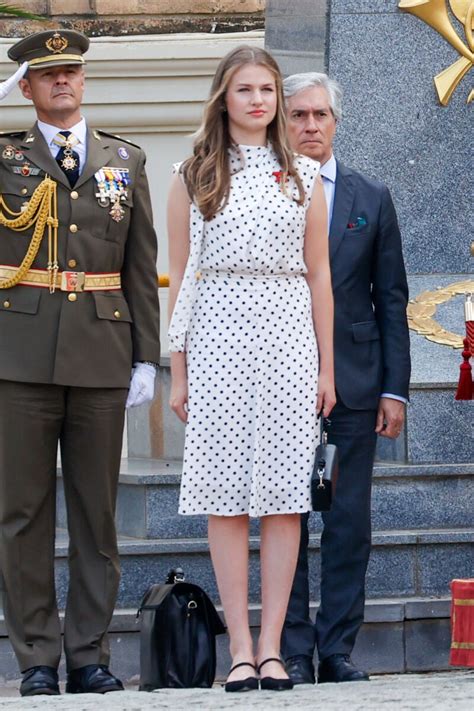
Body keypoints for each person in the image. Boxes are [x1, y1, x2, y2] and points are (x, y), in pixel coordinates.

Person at [167, 46, 335, 692]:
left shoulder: (302, 175)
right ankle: (238, 644)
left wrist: (325, 366)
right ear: (224, 98)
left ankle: (272, 647)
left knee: (287, 497)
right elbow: (179, 277)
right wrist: (178, 369)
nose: (259, 100)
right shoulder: (194, 173)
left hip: (288, 333)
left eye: (267, 88)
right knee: (226, 494)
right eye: (246, 89)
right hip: (217, 333)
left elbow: (319, 272)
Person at [0, 30, 160, 696]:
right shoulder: (5, 158)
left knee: (96, 513)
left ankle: (89, 652)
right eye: (47, 74)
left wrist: (146, 356)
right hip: (19, 357)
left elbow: (141, 267)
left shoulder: (125, 159)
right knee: (21, 513)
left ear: (84, 82)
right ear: (27, 87)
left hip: (102, 352)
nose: (62, 82)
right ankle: (36, 655)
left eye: (71, 72)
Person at [281, 72, 411, 684]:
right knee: (286, 518)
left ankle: (336, 651)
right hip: (278, 381)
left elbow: (391, 298)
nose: (310, 126)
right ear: (283, 122)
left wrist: (394, 389)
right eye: (299, 115)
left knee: (348, 521)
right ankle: (291, 648)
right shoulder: (262, 189)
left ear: (337, 121)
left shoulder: (371, 195)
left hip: (357, 386)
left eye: (320, 115)